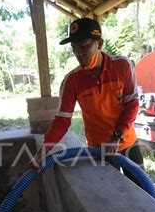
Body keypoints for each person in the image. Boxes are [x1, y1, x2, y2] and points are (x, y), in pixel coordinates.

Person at [32, 17, 144, 182]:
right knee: (110, 195)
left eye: (84, 46)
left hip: (127, 143)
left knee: (143, 193)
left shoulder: (122, 66)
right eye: (74, 48)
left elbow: (132, 105)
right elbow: (62, 121)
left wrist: (116, 137)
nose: (78, 52)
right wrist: (41, 153)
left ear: (99, 44)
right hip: (99, 150)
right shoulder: (72, 81)